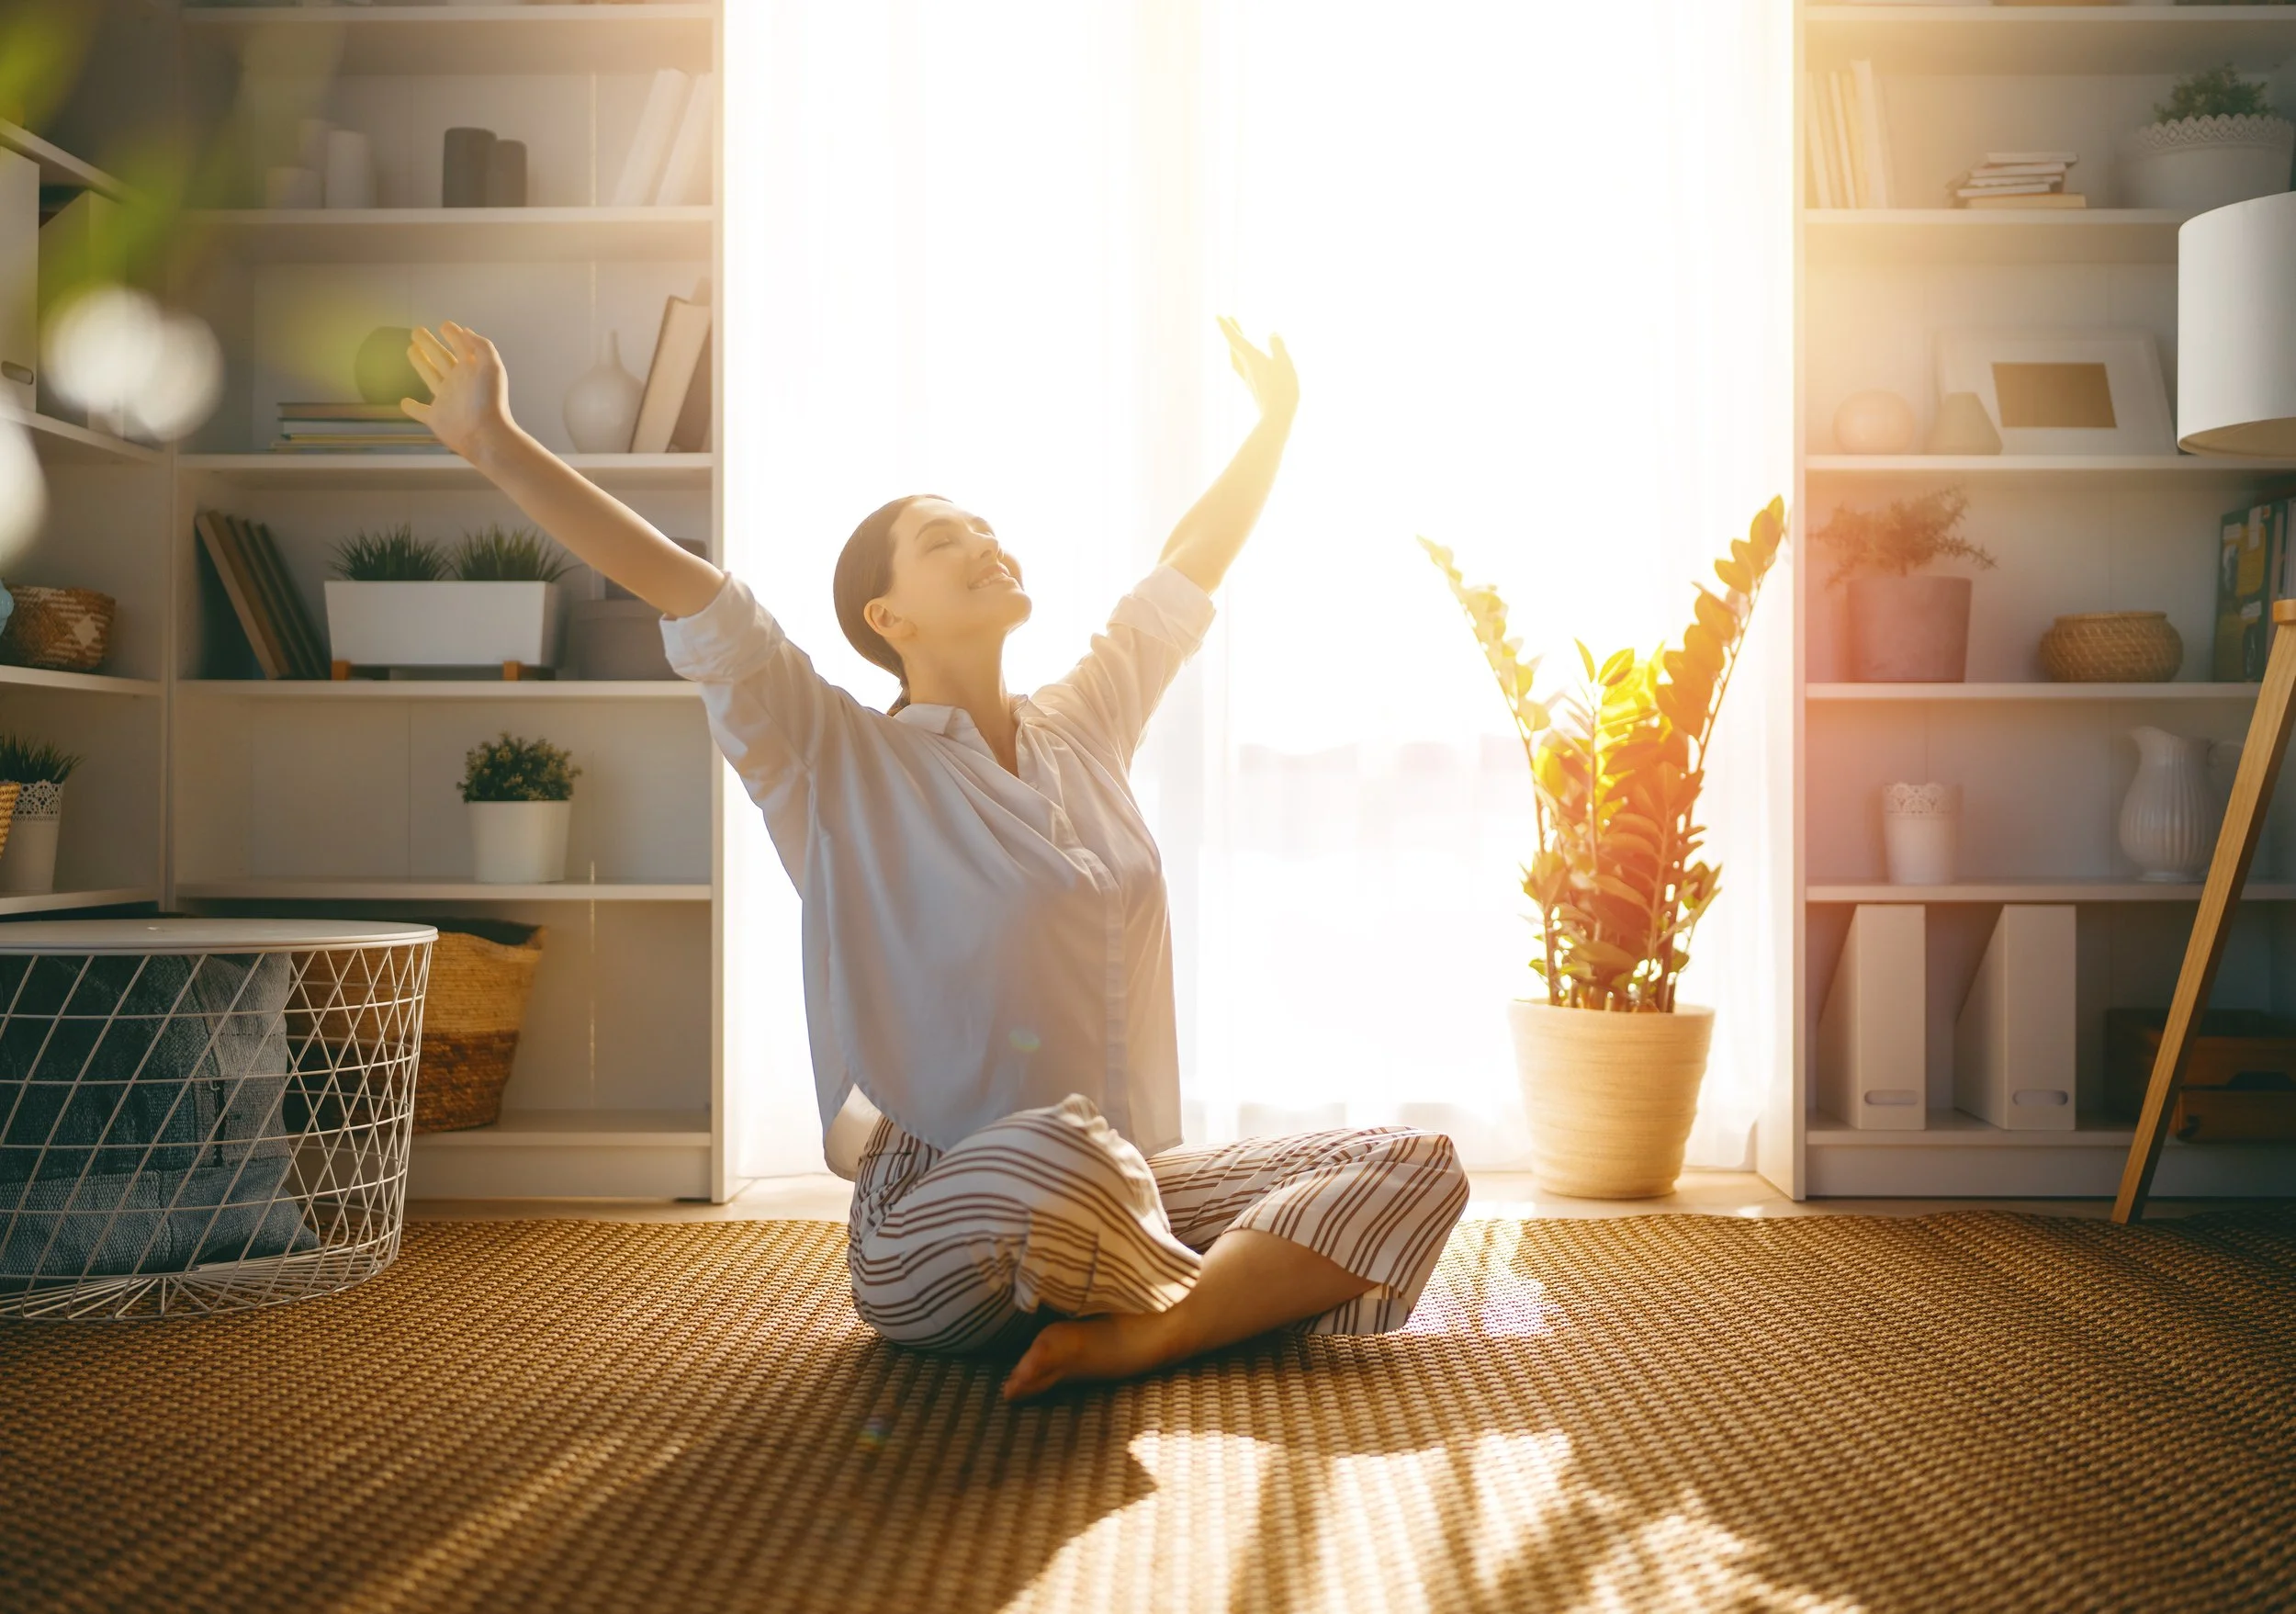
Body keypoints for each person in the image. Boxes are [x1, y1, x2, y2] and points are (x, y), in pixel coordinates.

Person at [401, 318, 1468, 1400]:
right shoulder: (832, 758)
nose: (985, 545)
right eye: (947, 539)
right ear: (886, 614)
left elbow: (1180, 573)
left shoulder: (1085, 725)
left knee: (1416, 1162)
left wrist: (1273, 426)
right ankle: (1225, 1289)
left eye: (990, 529)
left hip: (1129, 1183)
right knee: (1065, 1151)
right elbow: (688, 591)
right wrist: (495, 441)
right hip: (944, 1206)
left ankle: (1151, 1331)